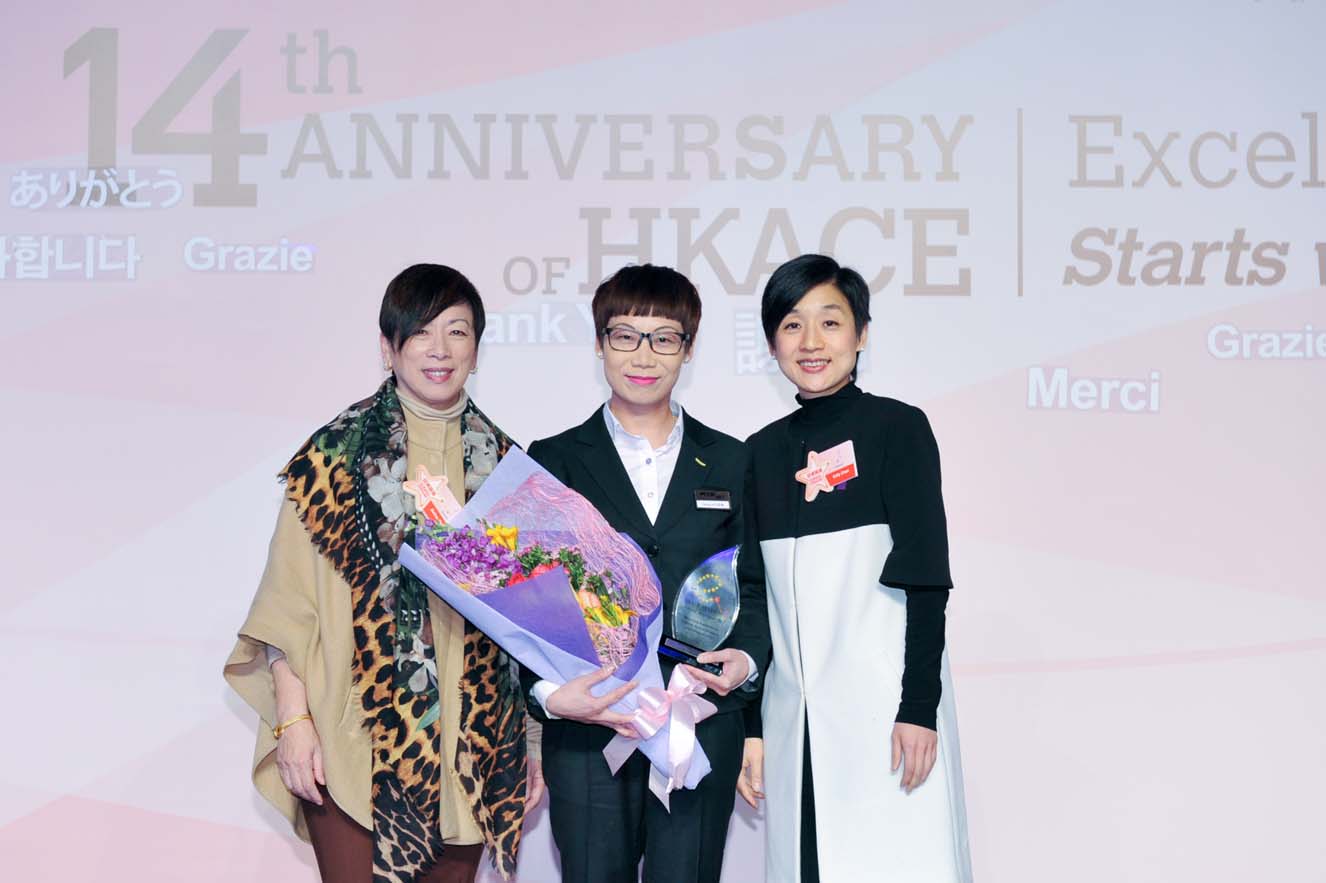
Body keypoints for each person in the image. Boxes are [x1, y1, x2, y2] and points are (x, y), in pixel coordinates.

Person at [223, 264, 538, 883]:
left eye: (457, 331)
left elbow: (529, 626)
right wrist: (293, 722)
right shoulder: (333, 457)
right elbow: (287, 606)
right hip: (349, 742)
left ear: (477, 350)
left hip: (472, 752)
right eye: (420, 331)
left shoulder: (507, 467)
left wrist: (527, 745)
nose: (440, 349)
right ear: (388, 347)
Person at [521, 264, 770, 883]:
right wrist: (548, 695)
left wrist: (746, 663)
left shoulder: (733, 459)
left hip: (699, 718)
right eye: (625, 335)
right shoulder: (553, 459)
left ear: (688, 348)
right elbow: (525, 597)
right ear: (599, 343)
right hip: (590, 721)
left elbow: (754, 586)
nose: (643, 355)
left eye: (664, 338)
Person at [739, 254, 972, 882]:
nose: (811, 342)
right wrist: (754, 728)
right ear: (772, 343)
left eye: (831, 322)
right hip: (795, 724)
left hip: (885, 716)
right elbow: (753, 595)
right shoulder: (759, 453)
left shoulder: (898, 429)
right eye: (792, 325)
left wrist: (919, 707)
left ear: (862, 334)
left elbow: (926, 578)